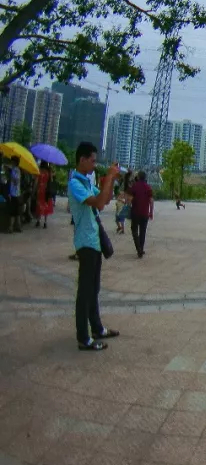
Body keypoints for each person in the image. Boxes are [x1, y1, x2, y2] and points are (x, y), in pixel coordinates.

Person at [69, 143, 121, 351]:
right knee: (85, 291)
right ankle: (84, 337)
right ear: (82, 160)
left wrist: (112, 179)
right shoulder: (75, 183)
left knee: (93, 289)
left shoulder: (87, 182)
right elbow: (98, 203)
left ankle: (97, 328)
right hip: (86, 242)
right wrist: (109, 176)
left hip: (94, 241)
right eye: (92, 160)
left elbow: (105, 199)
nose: (94, 164)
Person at [129, 171, 154, 258]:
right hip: (144, 213)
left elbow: (130, 199)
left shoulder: (134, 186)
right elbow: (151, 200)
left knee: (134, 230)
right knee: (142, 232)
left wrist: (128, 206)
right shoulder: (148, 187)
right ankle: (141, 249)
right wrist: (151, 212)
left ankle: (138, 248)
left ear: (138, 177)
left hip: (135, 212)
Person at [35, 161, 55, 228]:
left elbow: (36, 182)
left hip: (40, 191)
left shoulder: (39, 172)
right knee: (46, 205)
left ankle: (38, 221)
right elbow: (51, 181)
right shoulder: (48, 172)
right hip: (47, 191)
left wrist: (35, 190)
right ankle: (45, 222)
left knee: (39, 205)